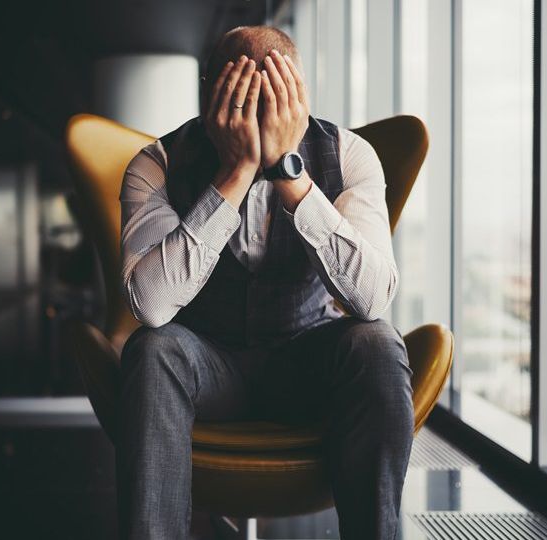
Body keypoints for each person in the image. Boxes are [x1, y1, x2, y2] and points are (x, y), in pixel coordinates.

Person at [116, 25, 413, 540]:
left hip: (307, 362)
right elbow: (152, 306)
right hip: (206, 366)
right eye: (239, 101)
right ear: (212, 97)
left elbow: (372, 298)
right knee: (152, 349)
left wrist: (290, 176)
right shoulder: (156, 164)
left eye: (272, 100)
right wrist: (235, 174)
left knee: (378, 343)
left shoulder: (350, 156)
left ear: (298, 95)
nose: (255, 118)